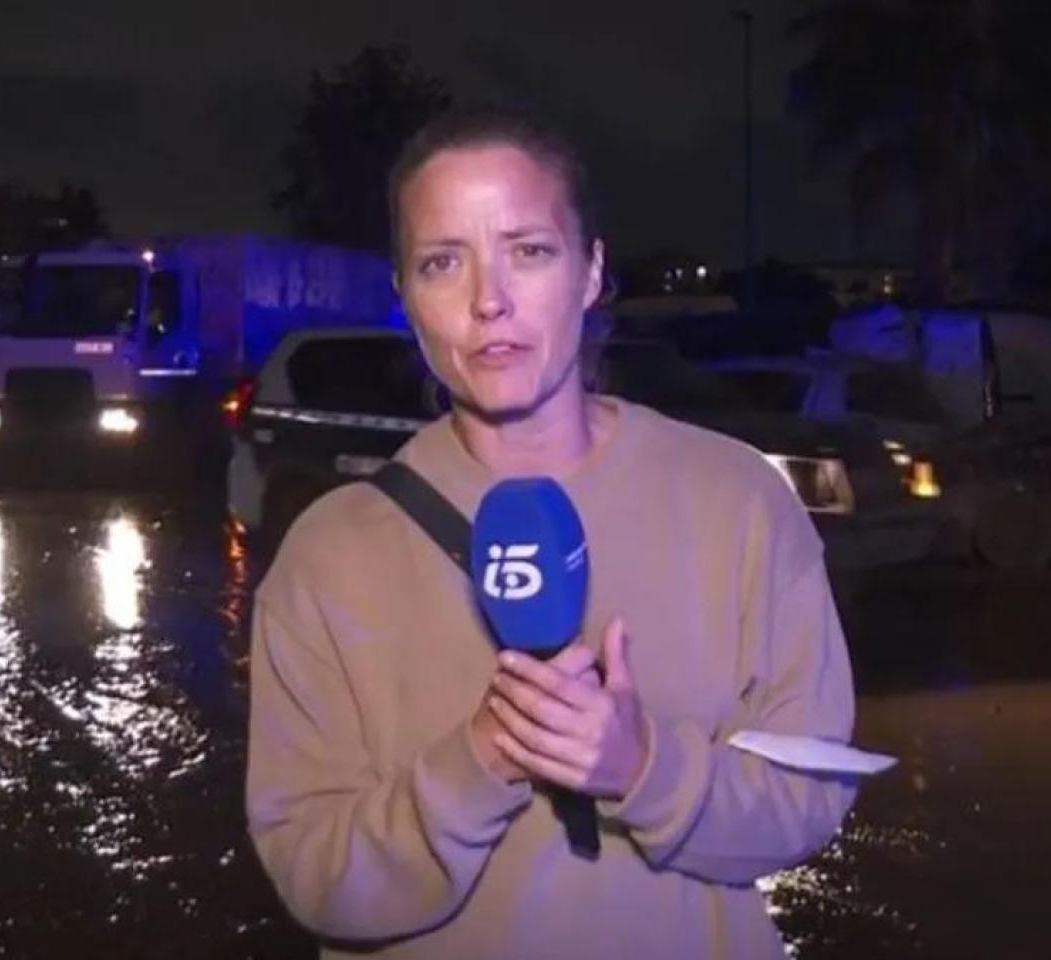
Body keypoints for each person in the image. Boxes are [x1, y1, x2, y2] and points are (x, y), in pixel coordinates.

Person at [245, 105, 858, 959]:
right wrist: (482, 761)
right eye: (441, 261)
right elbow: (316, 877)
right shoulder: (327, 557)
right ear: (404, 297)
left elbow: (809, 796)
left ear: (591, 271)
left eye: (528, 251)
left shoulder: (740, 501)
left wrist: (646, 767)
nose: (488, 300)